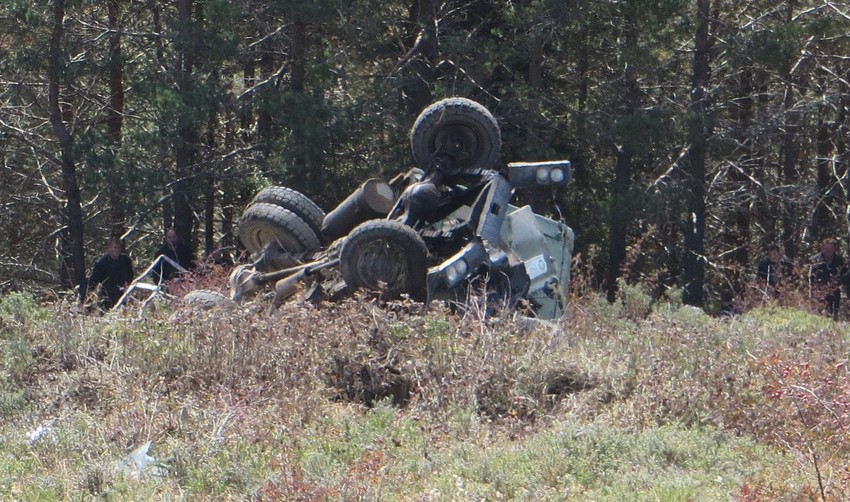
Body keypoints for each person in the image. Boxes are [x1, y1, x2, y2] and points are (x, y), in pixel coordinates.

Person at [86, 237, 134, 310]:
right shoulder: (101, 263)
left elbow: (130, 276)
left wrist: (128, 286)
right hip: (107, 296)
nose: (117, 250)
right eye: (115, 247)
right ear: (109, 248)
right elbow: (93, 281)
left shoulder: (125, 260)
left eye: (119, 248)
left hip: (123, 295)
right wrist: (90, 297)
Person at [809, 237, 848, 320]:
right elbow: (811, 278)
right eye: (826, 248)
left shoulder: (840, 261)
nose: (828, 251)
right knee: (819, 315)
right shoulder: (816, 260)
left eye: (830, 248)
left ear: (834, 249)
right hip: (819, 292)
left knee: (833, 315)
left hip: (835, 291)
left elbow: (845, 276)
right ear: (822, 248)